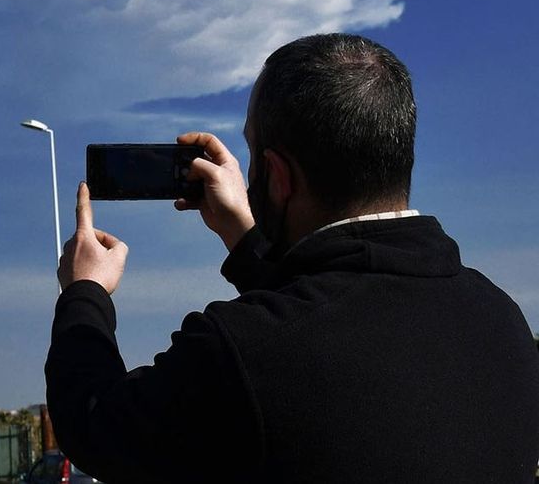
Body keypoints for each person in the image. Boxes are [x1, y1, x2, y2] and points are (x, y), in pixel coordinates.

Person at [45, 33, 539, 482]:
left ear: (278, 176)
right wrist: (246, 239)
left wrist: (86, 292)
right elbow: (335, 313)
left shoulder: (237, 352)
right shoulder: (503, 321)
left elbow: (96, 423)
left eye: (254, 153)